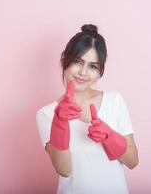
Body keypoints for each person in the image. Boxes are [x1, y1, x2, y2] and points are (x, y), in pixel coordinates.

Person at [36, 24, 139, 194]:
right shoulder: (46, 114)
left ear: (100, 71)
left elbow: (133, 161)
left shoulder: (114, 101)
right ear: (63, 58)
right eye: (78, 62)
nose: (83, 72)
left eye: (93, 66)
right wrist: (59, 124)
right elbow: (64, 169)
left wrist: (110, 136)